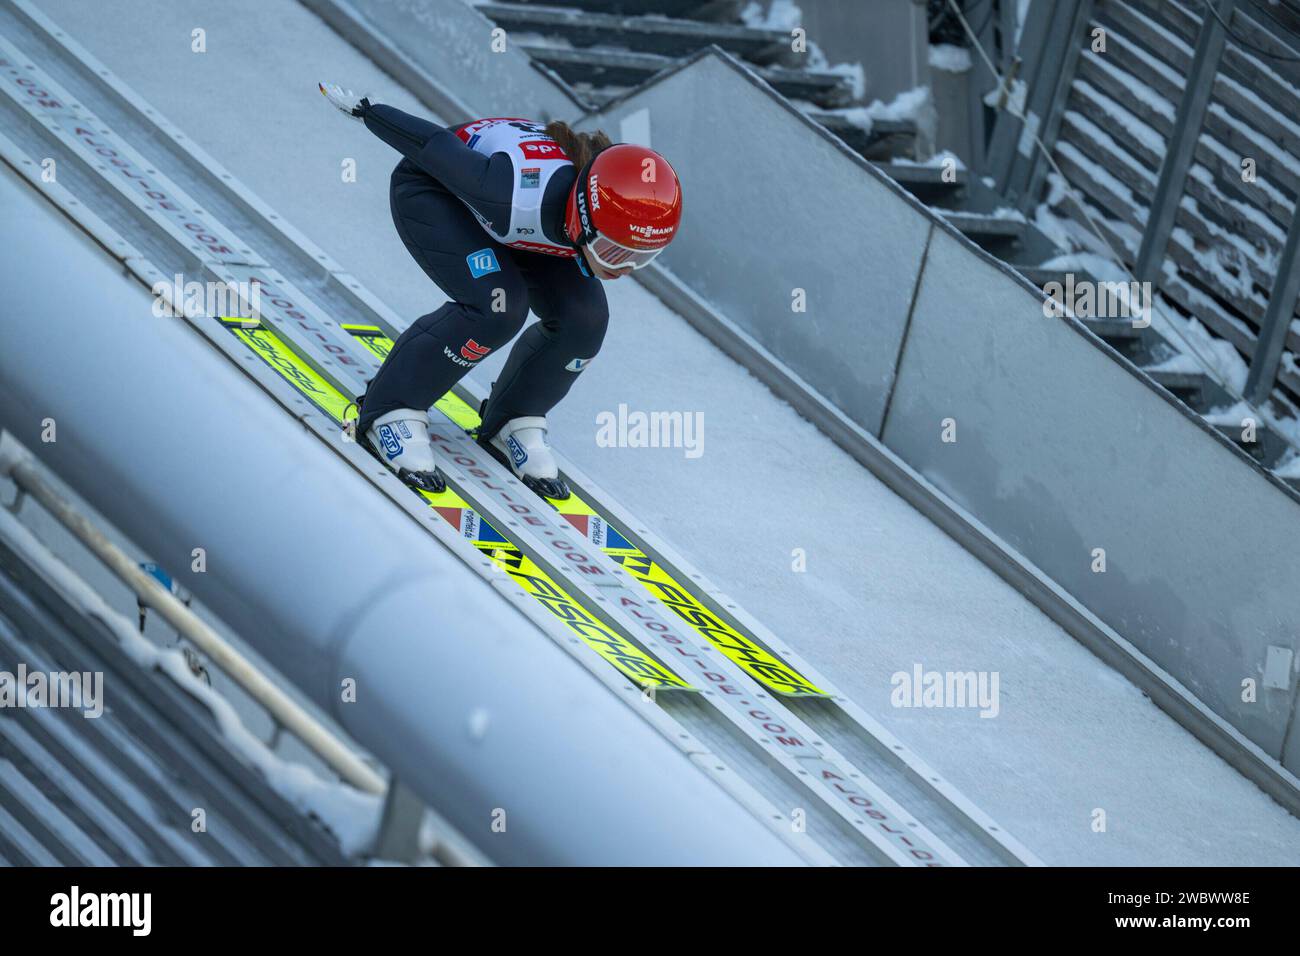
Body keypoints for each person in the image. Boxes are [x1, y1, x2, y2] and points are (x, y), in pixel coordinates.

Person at [318, 83, 683, 499]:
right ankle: (390, 408)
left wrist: (606, 247)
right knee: (498, 306)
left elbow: (594, 253)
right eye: (615, 252)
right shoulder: (513, 192)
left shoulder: (587, 213)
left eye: (641, 257)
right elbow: (434, 145)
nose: (625, 269)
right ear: (584, 217)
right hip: (438, 193)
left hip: (528, 229)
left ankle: (513, 417)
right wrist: (370, 111)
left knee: (586, 321)